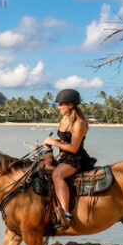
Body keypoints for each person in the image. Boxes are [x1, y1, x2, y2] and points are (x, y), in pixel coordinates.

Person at [43, 88, 94, 228]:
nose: (59, 107)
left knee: (57, 175)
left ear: (70, 105)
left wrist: (54, 143)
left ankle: (66, 213)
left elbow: (73, 148)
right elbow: (64, 138)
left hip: (76, 158)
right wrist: (53, 141)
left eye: (61, 104)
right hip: (65, 157)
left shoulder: (79, 122)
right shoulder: (65, 119)